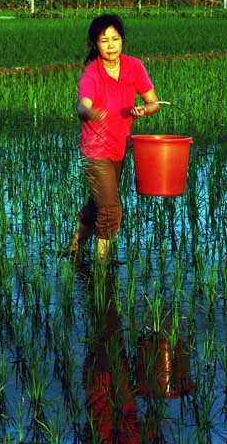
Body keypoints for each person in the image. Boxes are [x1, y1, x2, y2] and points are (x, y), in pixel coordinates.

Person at [66, 14, 160, 265]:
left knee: (99, 203)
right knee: (111, 209)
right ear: (95, 44)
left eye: (115, 39)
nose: (111, 45)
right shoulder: (92, 73)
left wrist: (144, 109)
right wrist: (88, 112)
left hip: (119, 147)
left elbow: (153, 102)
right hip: (94, 151)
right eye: (104, 40)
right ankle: (102, 263)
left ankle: (74, 246)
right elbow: (82, 105)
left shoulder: (134, 66)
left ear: (122, 40)